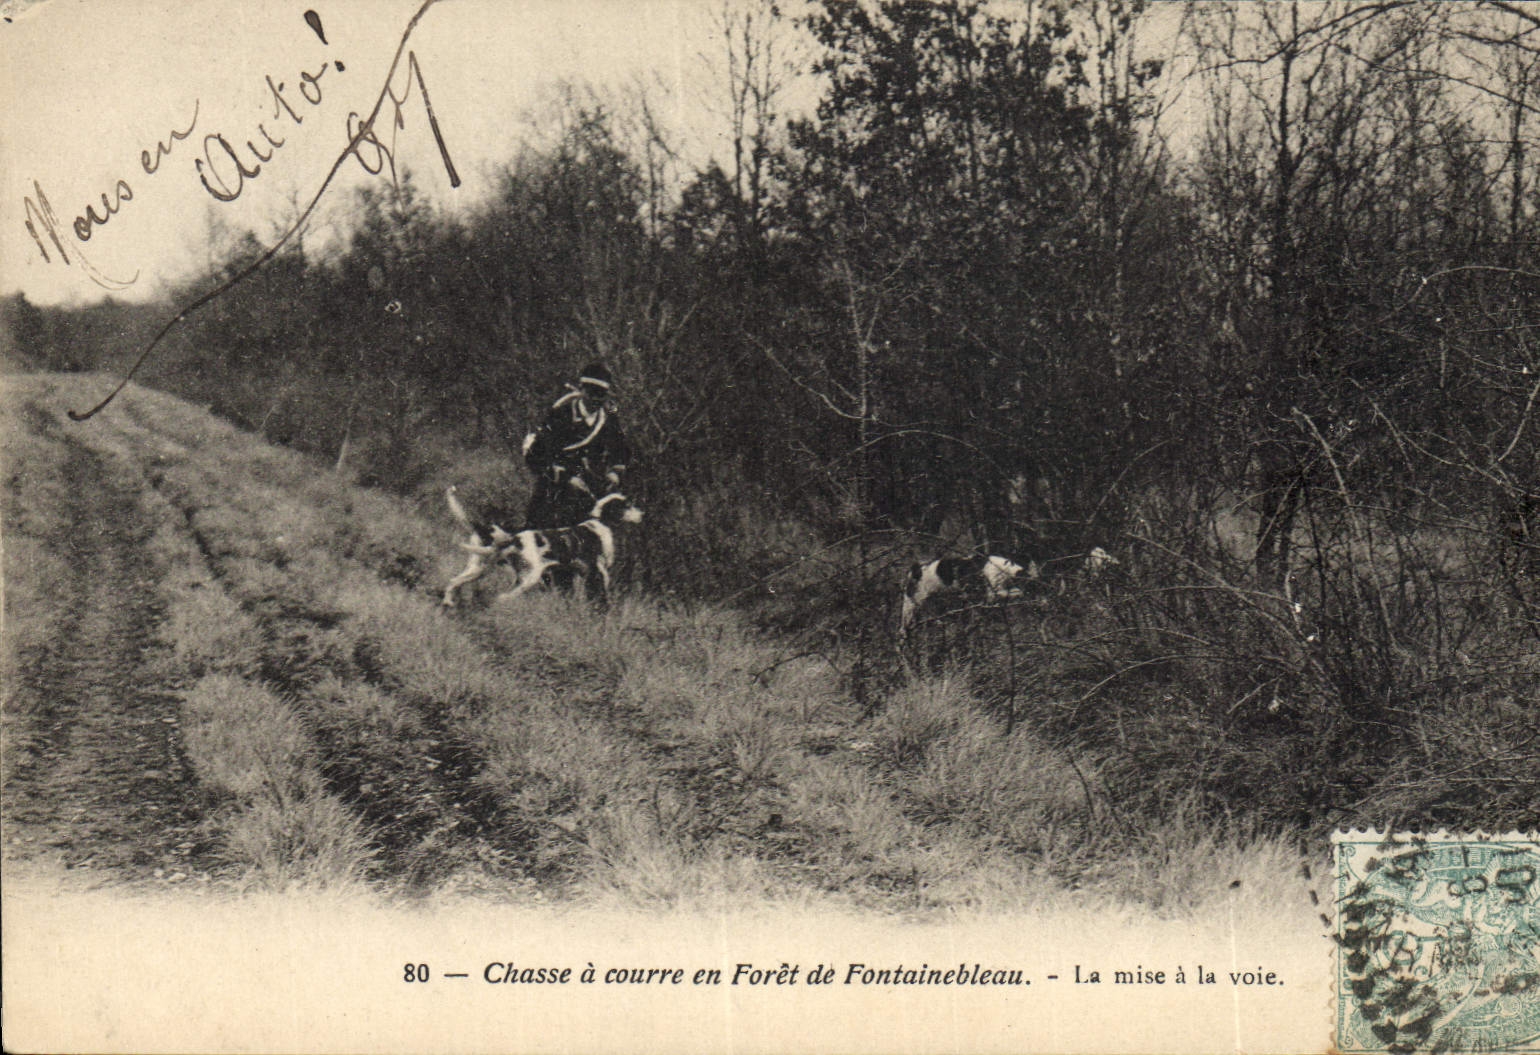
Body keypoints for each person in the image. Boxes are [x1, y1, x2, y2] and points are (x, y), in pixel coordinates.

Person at [522, 361, 631, 529]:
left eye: (601, 395)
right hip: (555, 487)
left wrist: (615, 472)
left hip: (588, 487)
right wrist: (565, 477)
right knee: (539, 533)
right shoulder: (560, 415)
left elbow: (619, 448)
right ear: (582, 390)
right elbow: (535, 457)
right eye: (591, 393)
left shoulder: (608, 419)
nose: (596, 400)